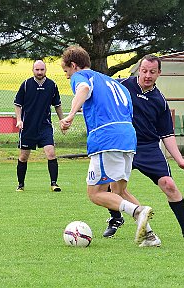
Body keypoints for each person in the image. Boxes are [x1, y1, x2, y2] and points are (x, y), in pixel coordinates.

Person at [60, 46, 157, 246]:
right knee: (120, 191)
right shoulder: (115, 83)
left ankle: (138, 211)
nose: (68, 77)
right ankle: (149, 236)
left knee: (95, 194)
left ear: (74, 65)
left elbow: (83, 89)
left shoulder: (82, 76)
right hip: (128, 137)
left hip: (106, 138)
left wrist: (70, 115)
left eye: (67, 73)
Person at [103, 54, 184, 239]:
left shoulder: (159, 101)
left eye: (152, 72)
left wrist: (180, 160)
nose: (147, 75)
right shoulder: (122, 86)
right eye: (144, 71)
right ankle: (116, 218)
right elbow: (101, 94)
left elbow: (167, 134)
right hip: (122, 145)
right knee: (108, 183)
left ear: (159, 73)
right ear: (139, 70)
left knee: (169, 184)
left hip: (148, 148)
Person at [14, 60, 64, 192]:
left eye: (42, 69)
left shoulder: (52, 85)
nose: (40, 72)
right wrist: (19, 120)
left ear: (45, 70)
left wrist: (62, 121)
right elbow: (17, 104)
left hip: (44, 126)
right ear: (33, 70)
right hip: (28, 127)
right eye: (37, 70)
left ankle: (54, 184)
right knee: (23, 156)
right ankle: (21, 184)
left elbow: (57, 105)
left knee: (51, 153)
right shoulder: (26, 84)